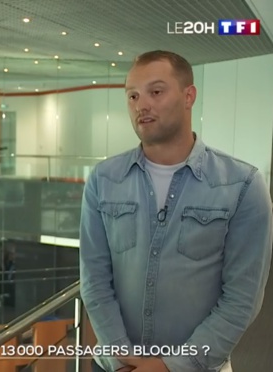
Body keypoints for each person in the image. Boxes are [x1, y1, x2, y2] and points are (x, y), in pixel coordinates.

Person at [80, 50, 272, 372]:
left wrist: (172, 365)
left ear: (188, 96)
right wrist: (121, 358)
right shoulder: (103, 180)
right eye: (133, 95)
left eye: (156, 92)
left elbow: (242, 298)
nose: (142, 105)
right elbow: (94, 279)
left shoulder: (242, 185)